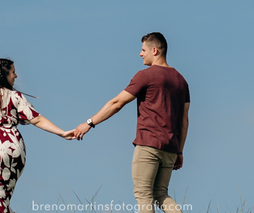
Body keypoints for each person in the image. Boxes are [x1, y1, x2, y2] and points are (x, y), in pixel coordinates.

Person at [72, 33, 190, 213]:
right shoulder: (181, 81)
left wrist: (89, 123)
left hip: (148, 145)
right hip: (171, 149)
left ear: (154, 50)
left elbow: (116, 103)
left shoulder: (146, 76)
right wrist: (179, 151)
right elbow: (184, 121)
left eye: (143, 50)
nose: (140, 54)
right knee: (160, 194)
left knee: (144, 194)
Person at [0, 58, 74, 213]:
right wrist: (62, 132)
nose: (15, 76)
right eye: (13, 72)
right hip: (15, 151)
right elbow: (36, 119)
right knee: (2, 201)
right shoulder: (15, 96)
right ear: (4, 75)